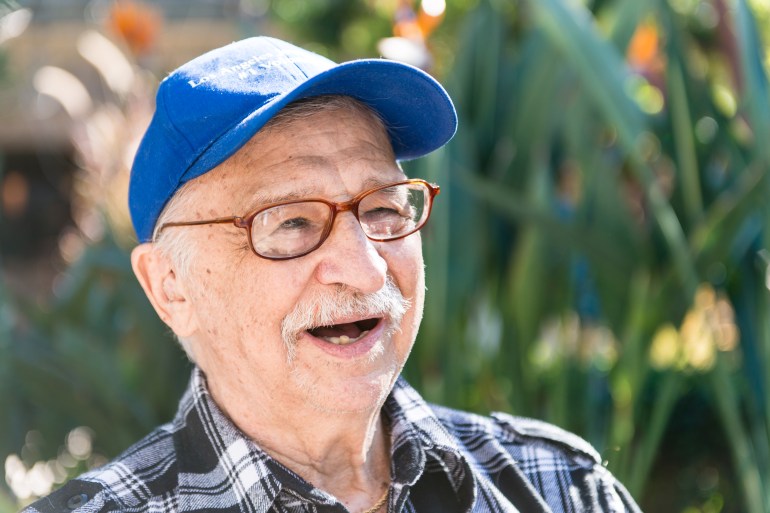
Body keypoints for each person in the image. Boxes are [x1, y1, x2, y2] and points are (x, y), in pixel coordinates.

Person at [25, 36, 641, 513]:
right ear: (170, 286)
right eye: (290, 222)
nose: (365, 265)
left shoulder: (559, 486)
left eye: (380, 209)